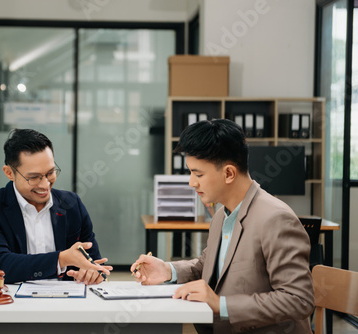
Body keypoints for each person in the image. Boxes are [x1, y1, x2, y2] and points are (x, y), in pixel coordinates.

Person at [131, 119, 314, 333]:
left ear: (228, 173)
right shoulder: (221, 215)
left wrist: (222, 305)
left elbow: (299, 300)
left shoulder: (275, 218)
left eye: (198, 174)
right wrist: (167, 270)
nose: (191, 182)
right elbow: (206, 267)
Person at [0, 129, 111, 284]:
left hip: (67, 302)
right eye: (34, 177)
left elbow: (94, 262)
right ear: (9, 172)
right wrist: (60, 259)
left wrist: (93, 273)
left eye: (50, 173)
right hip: (14, 303)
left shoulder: (71, 204)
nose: (45, 185)